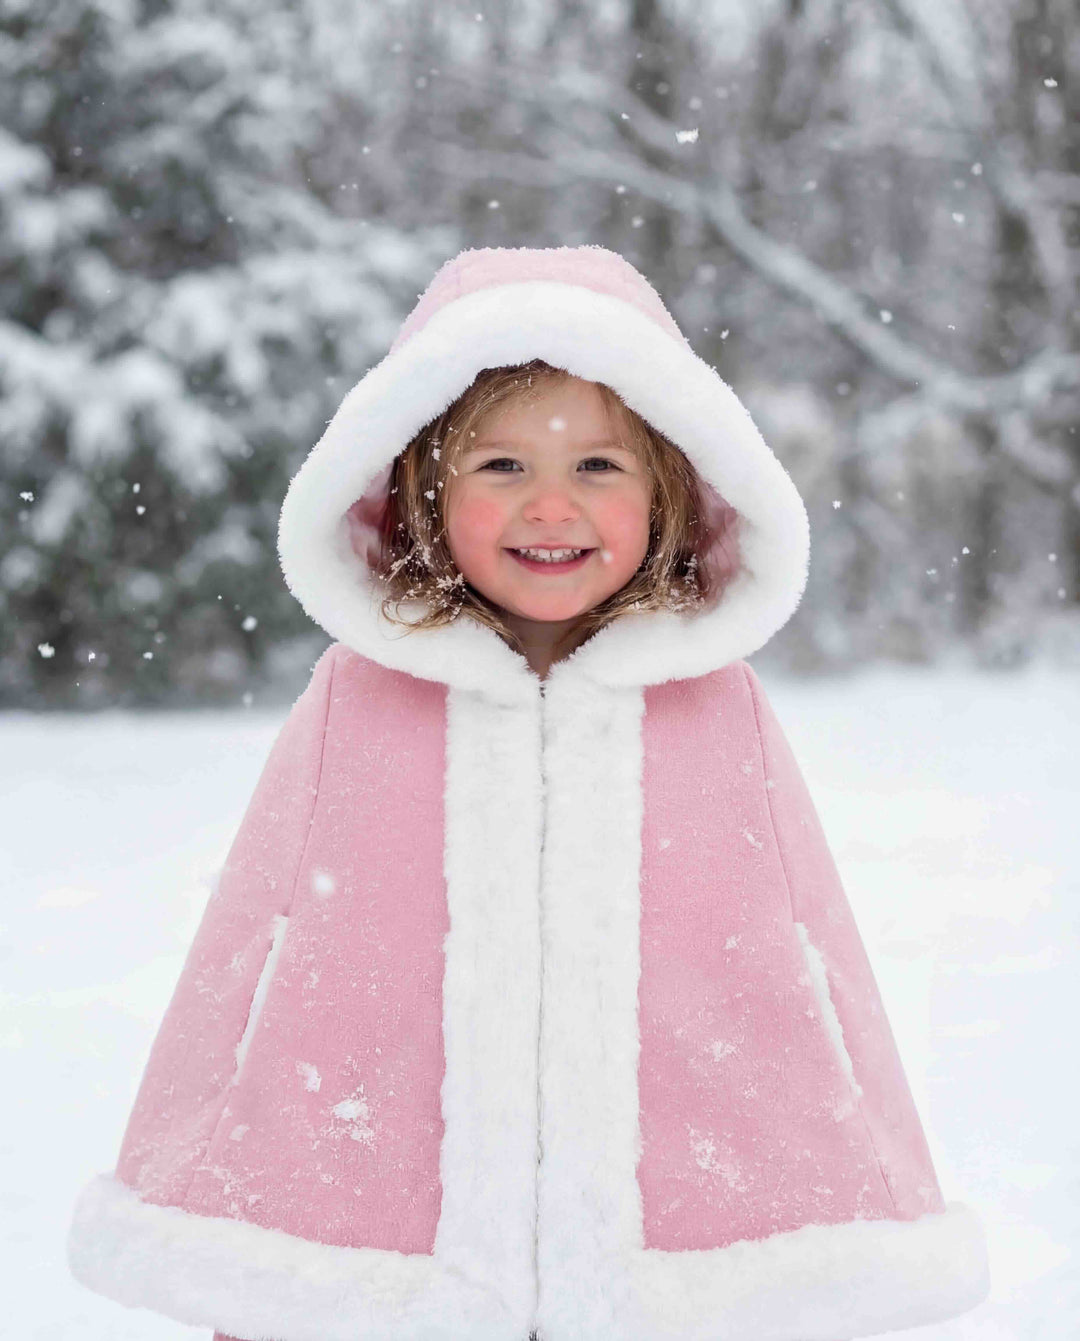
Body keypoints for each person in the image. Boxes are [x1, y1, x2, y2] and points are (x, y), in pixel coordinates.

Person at [67, 245, 990, 1341]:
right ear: (420, 485)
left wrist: (838, 1228)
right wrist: (251, 1256)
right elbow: (257, 956)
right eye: (499, 467)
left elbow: (807, 963)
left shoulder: (714, 708)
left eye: (599, 467)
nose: (550, 506)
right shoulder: (360, 702)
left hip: (665, 1260)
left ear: (669, 487)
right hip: (397, 1252)